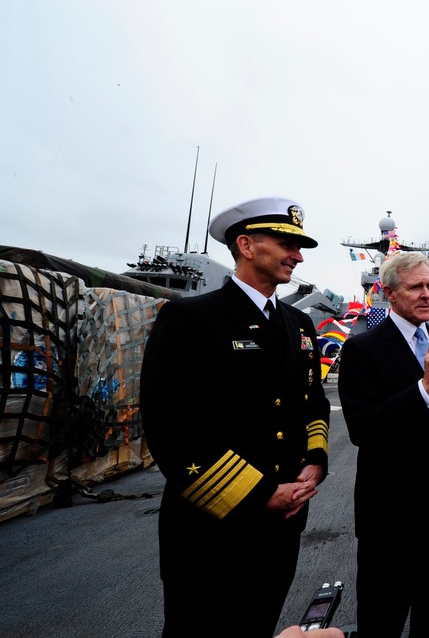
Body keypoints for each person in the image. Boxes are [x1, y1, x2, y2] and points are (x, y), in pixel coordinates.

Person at [140, 197, 331, 638]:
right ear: (246, 245)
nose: (298, 256)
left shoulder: (300, 325)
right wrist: (263, 493)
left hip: (281, 528)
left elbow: (312, 401)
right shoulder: (191, 319)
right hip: (213, 531)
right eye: (287, 243)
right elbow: (175, 430)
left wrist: (315, 461)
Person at [338, 251, 429, 637]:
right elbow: (362, 427)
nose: (427, 295)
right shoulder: (362, 350)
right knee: (382, 619)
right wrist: (422, 388)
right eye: (416, 286)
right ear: (388, 293)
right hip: (391, 516)